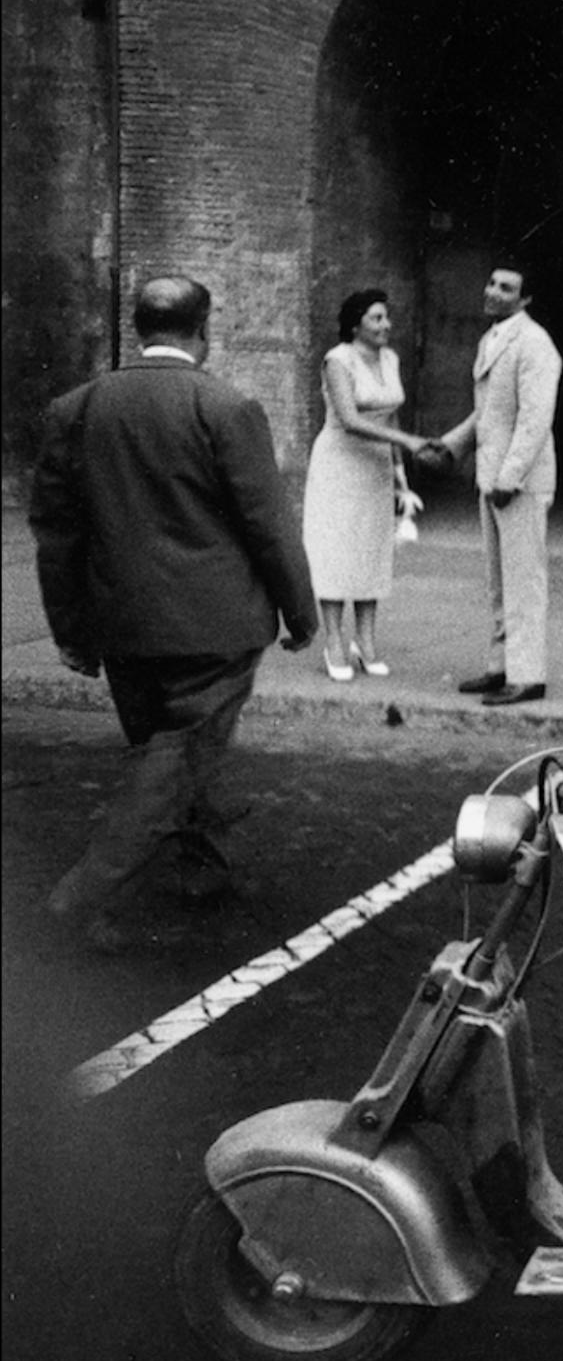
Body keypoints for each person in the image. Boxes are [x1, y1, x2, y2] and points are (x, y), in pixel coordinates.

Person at [29, 276, 319, 952]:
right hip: (215, 627)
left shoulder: (77, 407)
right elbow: (268, 526)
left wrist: (71, 630)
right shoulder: (227, 407)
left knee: (168, 752)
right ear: (203, 329)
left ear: (138, 327)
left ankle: (203, 865)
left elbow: (57, 534)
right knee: (174, 762)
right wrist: (301, 613)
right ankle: (83, 895)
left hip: (123, 625)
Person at [431, 260, 561, 706]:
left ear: (525, 299)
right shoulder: (493, 339)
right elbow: (489, 413)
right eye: (491, 283)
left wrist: (510, 477)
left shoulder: (535, 343)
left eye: (506, 288)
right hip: (493, 478)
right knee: (498, 581)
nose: (493, 292)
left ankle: (528, 675)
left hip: (518, 482)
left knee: (524, 579)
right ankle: (500, 666)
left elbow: (534, 420)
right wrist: (453, 446)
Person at [301, 288, 435, 680]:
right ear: (356, 323)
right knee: (337, 553)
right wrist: (409, 442)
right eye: (377, 318)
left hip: (376, 466)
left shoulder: (390, 358)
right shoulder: (337, 360)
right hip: (339, 465)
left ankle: (367, 640)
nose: (386, 325)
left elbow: (388, 416)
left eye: (386, 318)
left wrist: (399, 474)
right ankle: (334, 642)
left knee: (371, 553)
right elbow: (349, 419)